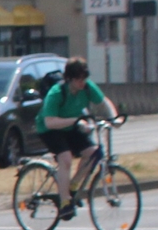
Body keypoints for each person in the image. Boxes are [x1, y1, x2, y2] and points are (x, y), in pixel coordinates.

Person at [37, 60, 117, 211]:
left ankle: (73, 185)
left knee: (93, 153)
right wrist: (75, 121)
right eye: (78, 79)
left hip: (72, 126)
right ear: (69, 79)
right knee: (66, 158)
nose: (82, 83)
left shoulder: (87, 87)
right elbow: (49, 122)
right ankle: (64, 201)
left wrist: (114, 118)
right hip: (50, 129)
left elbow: (104, 102)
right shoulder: (57, 93)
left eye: (84, 78)